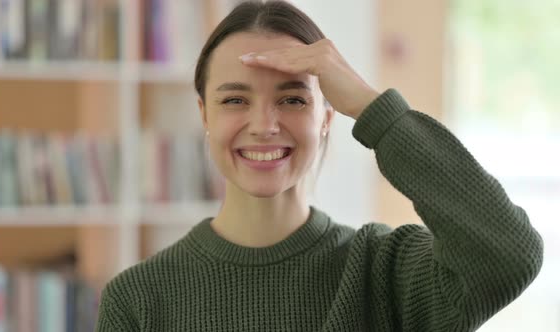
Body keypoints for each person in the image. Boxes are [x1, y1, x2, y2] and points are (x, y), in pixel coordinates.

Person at [95, 1, 544, 331]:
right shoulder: (138, 299)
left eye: (293, 99)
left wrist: (373, 109)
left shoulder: (383, 272)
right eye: (235, 99)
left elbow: (509, 254)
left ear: (327, 116)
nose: (264, 125)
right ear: (204, 114)